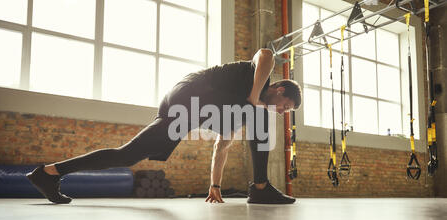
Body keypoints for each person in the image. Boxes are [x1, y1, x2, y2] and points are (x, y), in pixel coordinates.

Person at [26, 48, 301, 205]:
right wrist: (254, 99)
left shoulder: (242, 110)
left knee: (127, 154)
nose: (280, 112)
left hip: (185, 108)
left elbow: (222, 145)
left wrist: (214, 185)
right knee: (258, 115)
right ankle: (261, 187)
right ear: (278, 88)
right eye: (284, 105)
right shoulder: (259, 82)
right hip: (195, 91)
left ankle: (49, 173)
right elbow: (265, 54)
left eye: (285, 112)